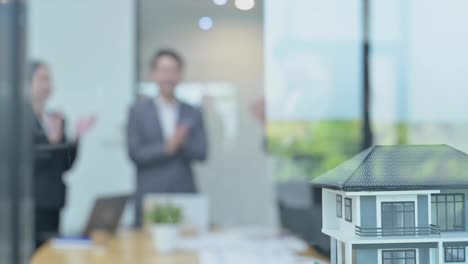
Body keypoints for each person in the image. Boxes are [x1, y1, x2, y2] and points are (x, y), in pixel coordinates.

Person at [127, 49, 208, 226]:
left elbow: (202, 152)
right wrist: (166, 147)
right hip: (151, 195)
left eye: (173, 71)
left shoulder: (192, 112)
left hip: (184, 193)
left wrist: (182, 142)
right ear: (153, 75)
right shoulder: (137, 112)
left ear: (180, 75)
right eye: (163, 71)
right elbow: (134, 153)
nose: (168, 77)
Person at [30, 61, 95, 248]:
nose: (47, 85)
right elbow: (24, 167)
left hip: (54, 201)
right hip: (32, 203)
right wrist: (50, 141)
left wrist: (76, 138)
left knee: (50, 252)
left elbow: (65, 166)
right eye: (42, 79)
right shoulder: (19, 119)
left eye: (49, 80)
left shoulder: (54, 118)